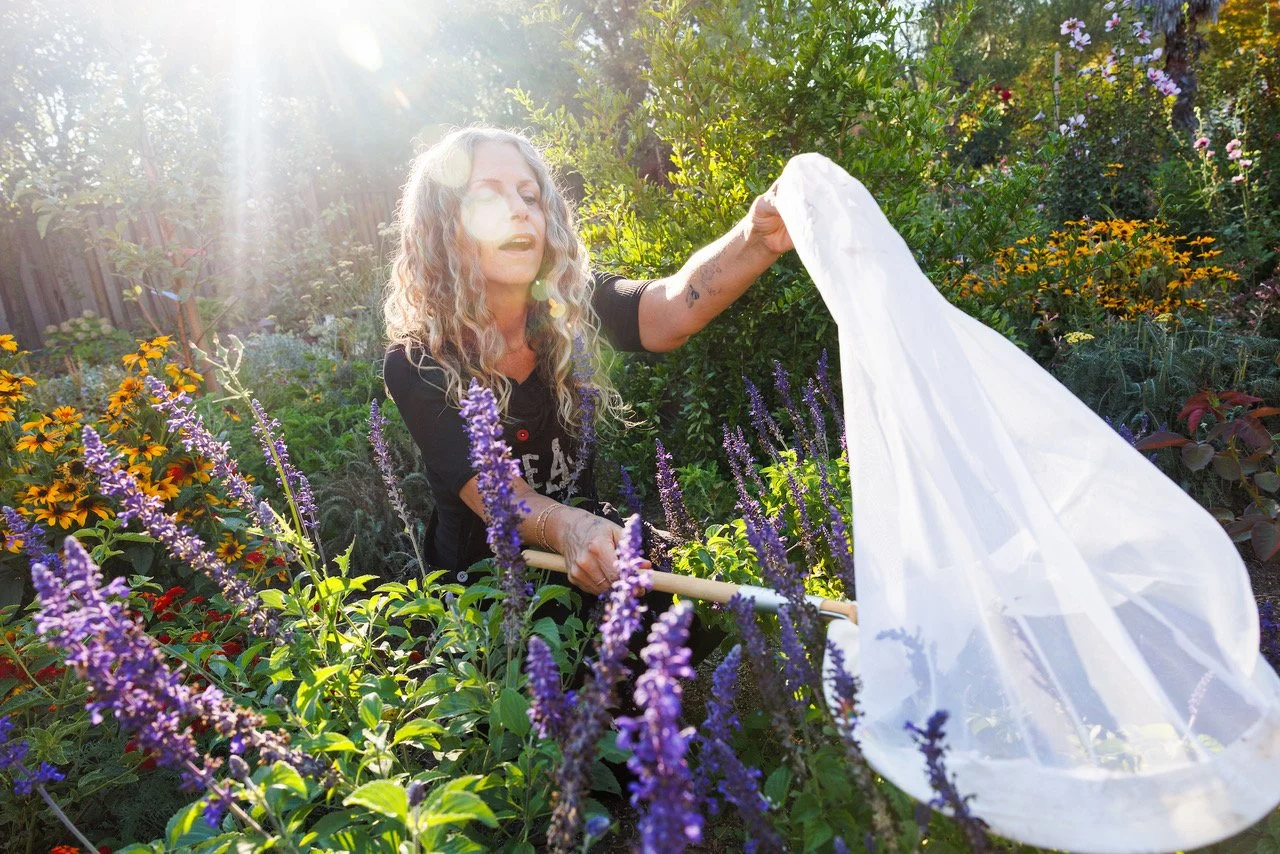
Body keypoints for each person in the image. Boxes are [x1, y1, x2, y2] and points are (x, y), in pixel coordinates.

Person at [382, 127, 793, 597]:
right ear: (444, 228)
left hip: (590, 552)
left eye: (530, 197)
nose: (519, 210)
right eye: (489, 198)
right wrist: (571, 529)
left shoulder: (571, 305)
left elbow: (673, 308)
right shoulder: (418, 361)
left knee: (715, 611)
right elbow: (502, 496)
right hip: (487, 602)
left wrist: (758, 238)